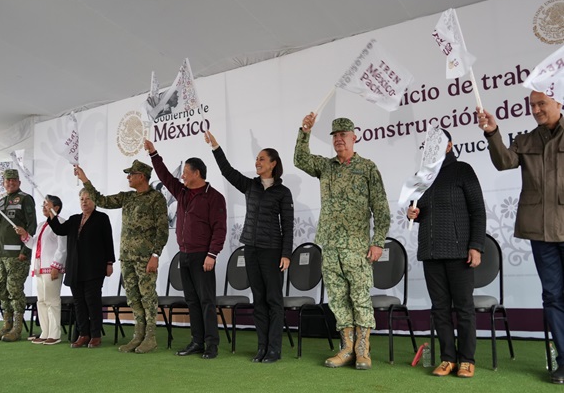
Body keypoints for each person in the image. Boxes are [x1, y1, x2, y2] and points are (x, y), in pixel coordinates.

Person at [477, 90, 564, 384]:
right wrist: (493, 133)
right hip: (541, 233)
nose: (537, 109)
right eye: (533, 105)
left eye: (543, 103)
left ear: (559, 103)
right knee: (552, 296)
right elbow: (504, 161)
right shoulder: (526, 140)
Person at [294, 114, 390, 370]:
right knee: (337, 299)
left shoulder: (367, 168)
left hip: (357, 246)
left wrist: (378, 241)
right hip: (331, 246)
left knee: (360, 298)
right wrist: (304, 132)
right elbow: (300, 159)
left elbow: (380, 207)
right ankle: (346, 348)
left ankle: (362, 350)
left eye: (343, 135)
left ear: (354, 137)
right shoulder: (326, 167)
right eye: (335, 136)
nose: (338, 139)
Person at [204, 131, 293, 363]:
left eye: (262, 159)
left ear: (273, 164)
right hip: (251, 249)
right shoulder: (250, 186)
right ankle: (262, 347)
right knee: (258, 300)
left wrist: (286, 254)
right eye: (257, 159)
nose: (257, 162)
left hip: (272, 251)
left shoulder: (283, 192)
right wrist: (216, 147)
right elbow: (227, 171)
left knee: (274, 299)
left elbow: (288, 225)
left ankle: (274, 349)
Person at [406, 129, 485, 378]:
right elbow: (418, 209)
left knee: (463, 307)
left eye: (437, 143)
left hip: (459, 251)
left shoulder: (463, 170)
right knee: (439, 308)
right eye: (428, 144)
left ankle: (467, 359)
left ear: (449, 145)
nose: (432, 147)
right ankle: (447, 358)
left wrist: (476, 245)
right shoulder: (422, 177)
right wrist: (412, 213)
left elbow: (478, 211)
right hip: (431, 252)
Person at [144, 138, 227, 359]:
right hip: (185, 255)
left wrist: (212, 254)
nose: (182, 176)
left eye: (186, 172)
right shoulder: (181, 193)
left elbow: (220, 229)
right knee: (192, 301)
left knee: (207, 301)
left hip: (203, 256)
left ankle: (211, 345)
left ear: (197, 173)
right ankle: (197, 341)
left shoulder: (214, 197)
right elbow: (164, 176)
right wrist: (154, 153)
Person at [74, 160, 168, 353]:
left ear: (141, 176)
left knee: (147, 296)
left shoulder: (156, 198)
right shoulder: (127, 197)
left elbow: (162, 230)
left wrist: (155, 254)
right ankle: (138, 336)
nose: (128, 177)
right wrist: (85, 181)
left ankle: (150, 337)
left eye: (131, 174)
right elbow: (101, 200)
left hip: (145, 257)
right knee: (133, 297)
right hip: (127, 257)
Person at [47, 188, 115, 349]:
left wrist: (109, 263)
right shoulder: (74, 219)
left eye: (88, 198)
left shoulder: (101, 218)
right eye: (82, 199)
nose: (84, 202)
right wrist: (50, 211)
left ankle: (95, 335)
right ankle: (83, 334)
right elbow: (59, 230)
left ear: (95, 201)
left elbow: (108, 241)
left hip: (94, 268)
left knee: (93, 302)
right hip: (75, 268)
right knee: (79, 303)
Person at [0, 169, 37, 342]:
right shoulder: (0, 202)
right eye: (8, 180)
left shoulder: (25, 199)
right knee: (0, 289)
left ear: (19, 182)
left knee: (15, 291)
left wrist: (25, 251)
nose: (10, 183)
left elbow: (32, 225)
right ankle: (6, 326)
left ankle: (17, 328)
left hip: (16, 255)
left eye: (14, 180)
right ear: (4, 183)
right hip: (0, 255)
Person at [15, 195, 67, 345]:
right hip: (39, 268)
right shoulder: (41, 225)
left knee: (52, 301)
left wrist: (56, 265)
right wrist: (25, 235)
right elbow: (34, 245)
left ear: (56, 207)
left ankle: (55, 334)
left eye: (46, 204)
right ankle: (45, 332)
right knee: (42, 301)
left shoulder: (61, 223)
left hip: (52, 268)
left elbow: (62, 247)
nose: (43, 207)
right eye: (43, 204)